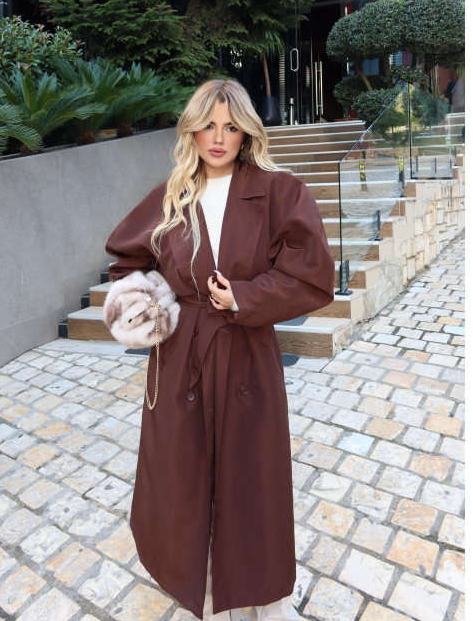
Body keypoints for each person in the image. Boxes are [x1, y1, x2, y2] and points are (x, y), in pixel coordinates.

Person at [104, 78, 336, 620]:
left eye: (230, 127)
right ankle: (205, 593)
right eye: (207, 125)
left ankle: (267, 599)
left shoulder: (280, 191)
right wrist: (153, 313)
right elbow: (126, 262)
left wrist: (246, 297)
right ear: (191, 130)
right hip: (180, 360)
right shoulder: (170, 195)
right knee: (183, 479)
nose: (217, 138)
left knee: (252, 480)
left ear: (247, 132)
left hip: (246, 356)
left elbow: (312, 276)